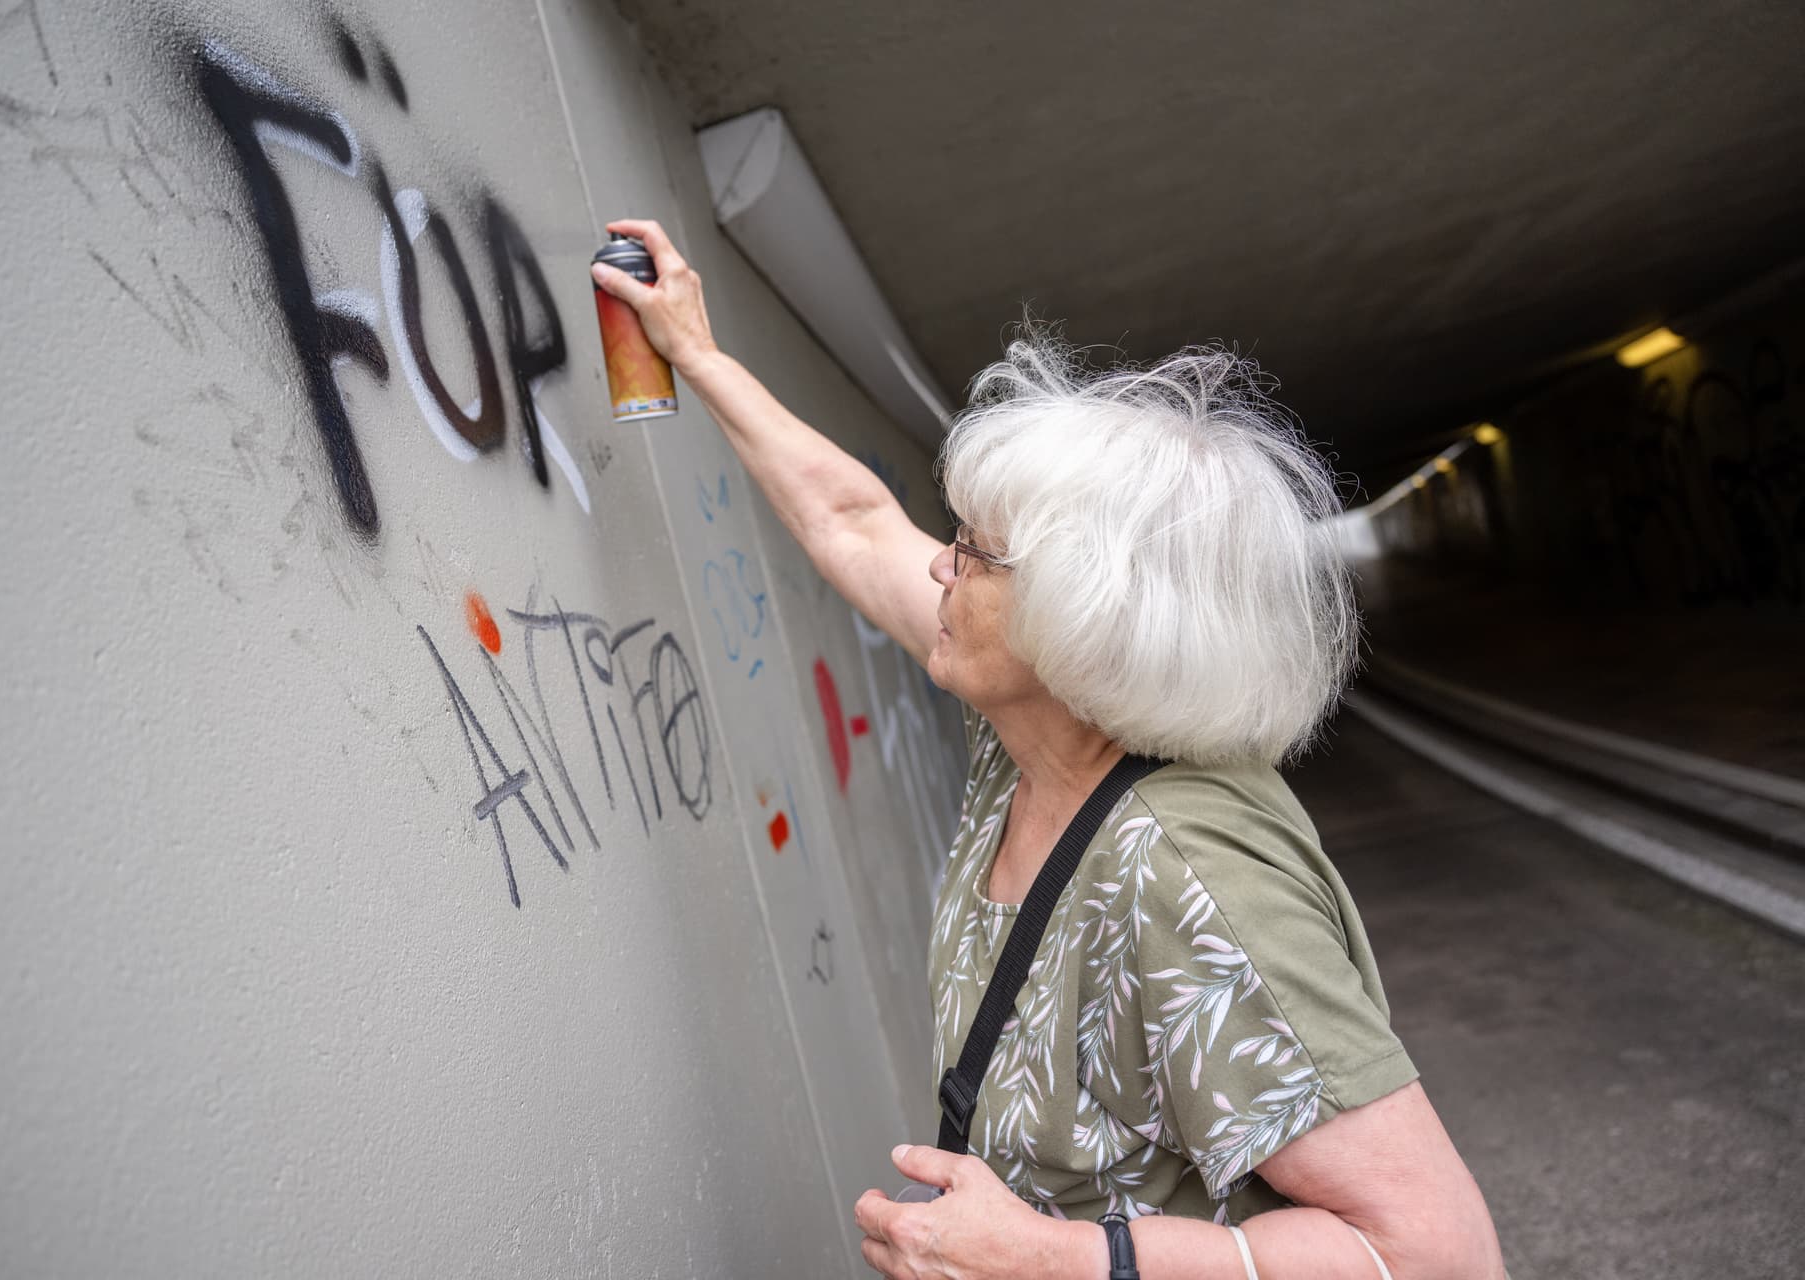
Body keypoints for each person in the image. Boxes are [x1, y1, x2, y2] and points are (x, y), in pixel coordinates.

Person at [592, 219, 1506, 1280]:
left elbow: (1439, 1251)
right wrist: (697, 353)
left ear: (1083, 618)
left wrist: (1057, 1255)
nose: (942, 569)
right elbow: (853, 521)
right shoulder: (1029, 735)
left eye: (974, 554)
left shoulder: (1186, 874)